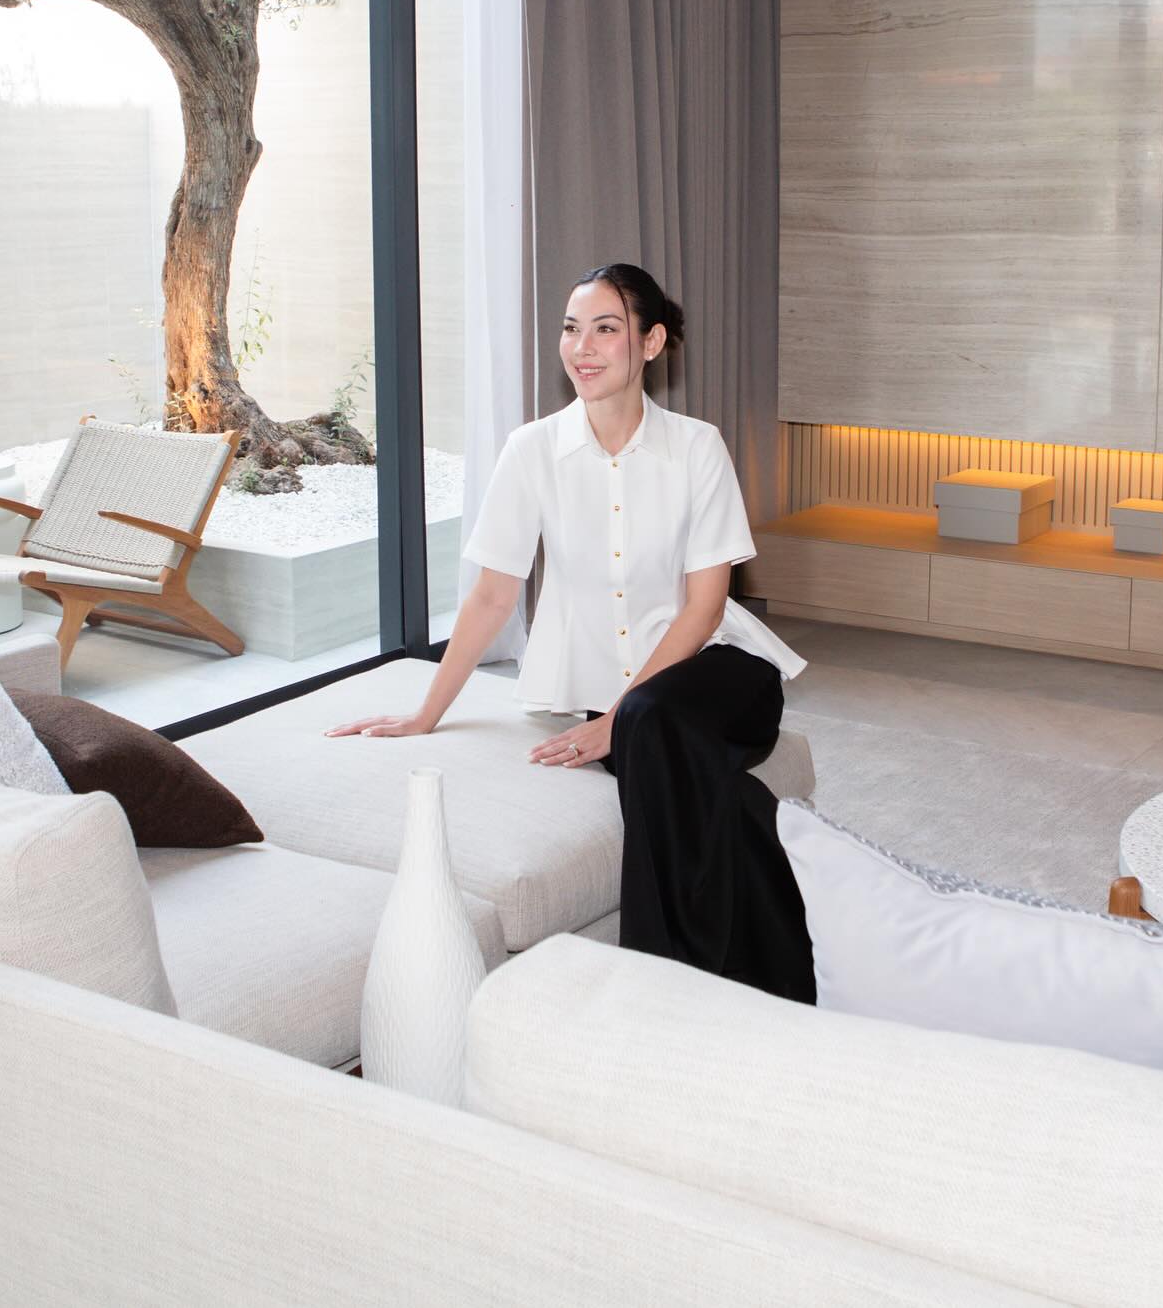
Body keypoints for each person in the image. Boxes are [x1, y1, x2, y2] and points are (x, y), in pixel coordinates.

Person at [327, 261, 814, 1003]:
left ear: (651, 343)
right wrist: (426, 712)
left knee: (651, 722)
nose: (582, 347)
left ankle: (651, 983)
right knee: (718, 795)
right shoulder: (532, 451)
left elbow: (706, 608)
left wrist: (616, 720)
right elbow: (493, 594)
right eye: (571, 328)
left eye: (606, 329)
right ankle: (786, 967)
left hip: (722, 675)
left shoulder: (697, 447)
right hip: (631, 710)